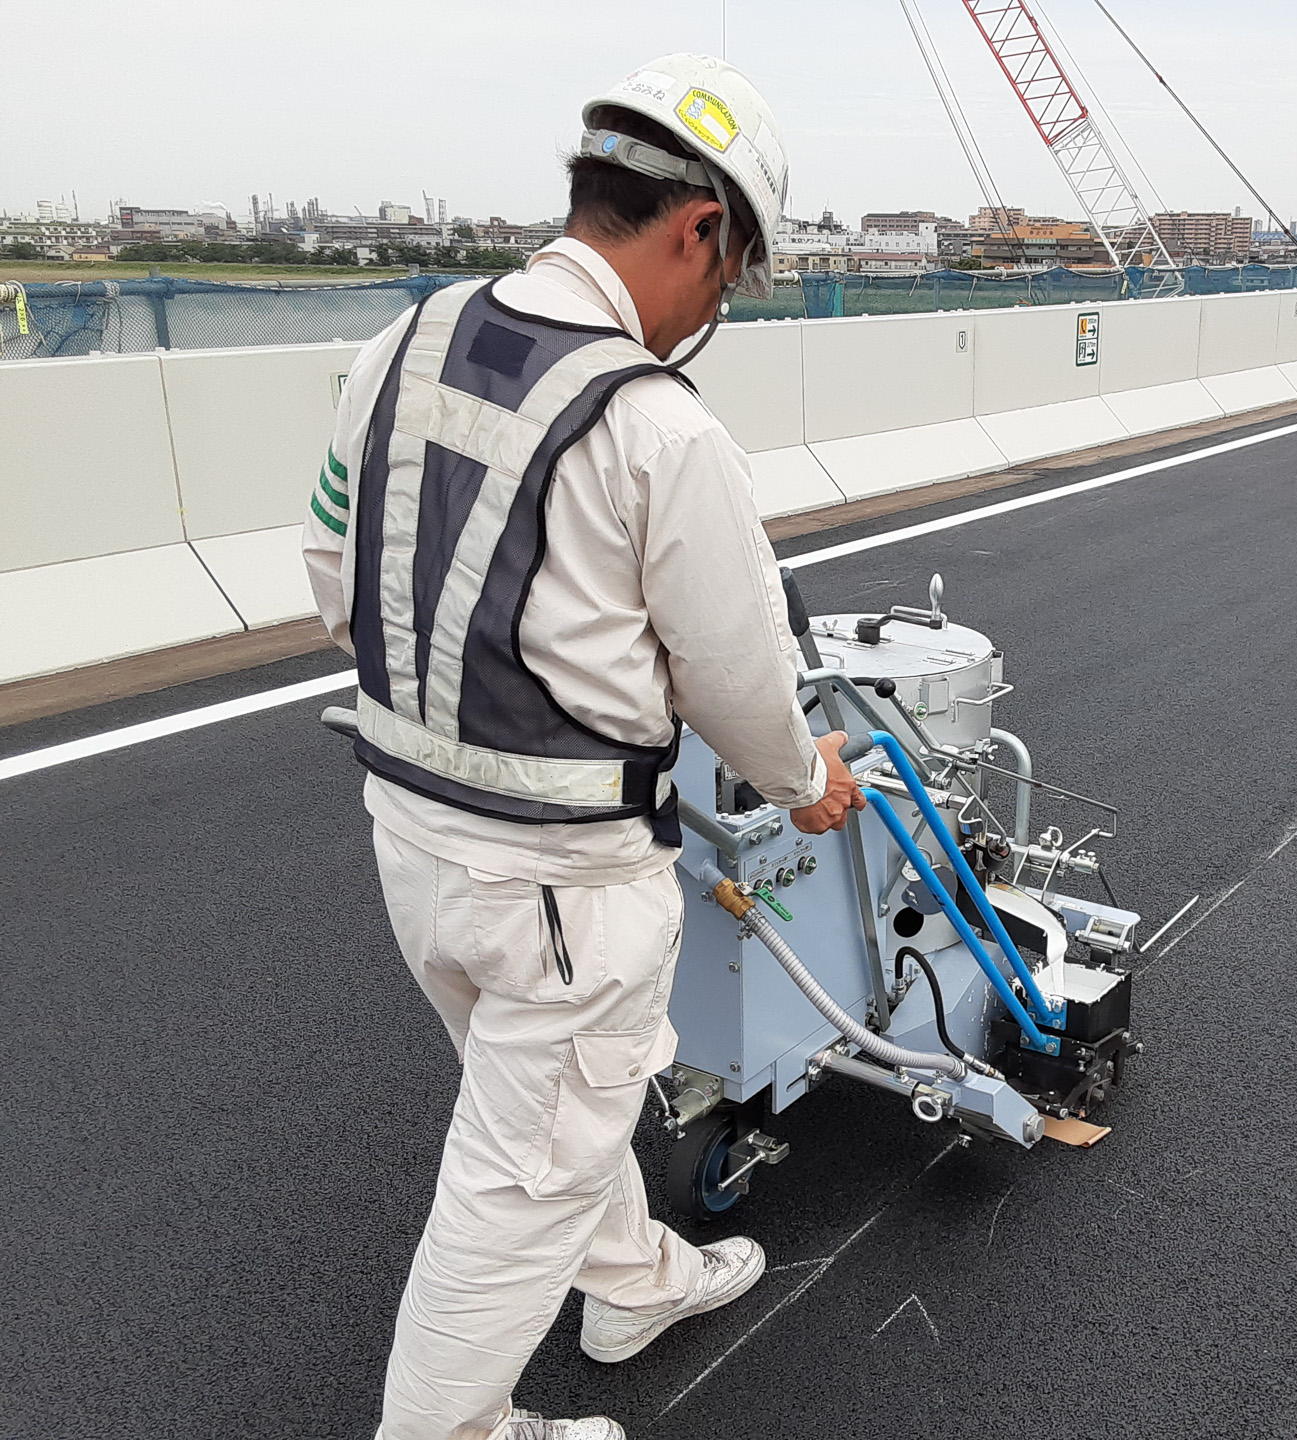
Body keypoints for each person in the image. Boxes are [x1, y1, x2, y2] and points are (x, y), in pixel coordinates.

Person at [302, 54, 864, 1440]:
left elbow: (332, 560)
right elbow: (740, 679)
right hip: (562, 881)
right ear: (697, 231)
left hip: (412, 838)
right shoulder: (657, 426)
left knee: (547, 1118)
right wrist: (807, 781)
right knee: (513, 1186)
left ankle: (634, 1280)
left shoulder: (407, 340)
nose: (713, 308)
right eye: (727, 279)